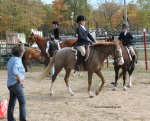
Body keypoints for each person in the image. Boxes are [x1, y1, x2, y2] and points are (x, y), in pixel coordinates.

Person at [7, 44, 26, 121]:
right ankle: (23, 119)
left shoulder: (11, 59)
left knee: (12, 103)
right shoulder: (18, 60)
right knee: (22, 103)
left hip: (10, 84)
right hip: (16, 84)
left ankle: (10, 119)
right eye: (23, 51)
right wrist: (20, 80)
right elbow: (15, 70)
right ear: (21, 52)